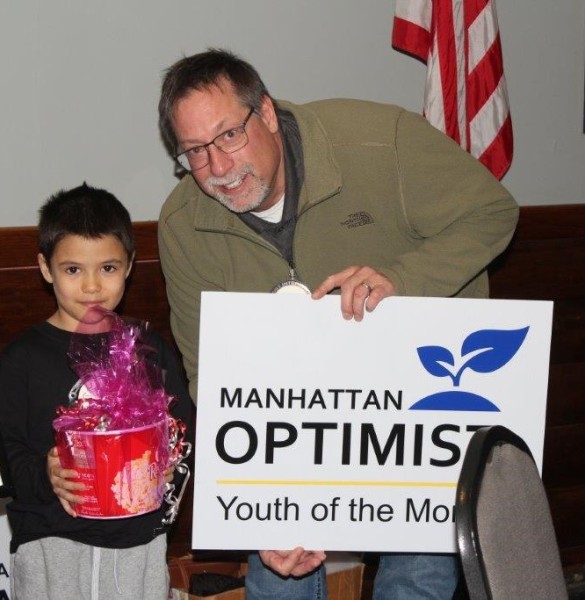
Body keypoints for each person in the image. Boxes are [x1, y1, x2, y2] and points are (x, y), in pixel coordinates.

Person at [157, 48, 519, 600]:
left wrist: (402, 279)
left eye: (229, 135)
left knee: (416, 578)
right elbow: (211, 374)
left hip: (420, 405)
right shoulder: (184, 225)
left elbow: (493, 212)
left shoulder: (382, 144)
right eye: (195, 152)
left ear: (267, 113)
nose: (219, 168)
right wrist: (259, 503)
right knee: (278, 573)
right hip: (293, 421)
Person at [0, 184, 193, 600]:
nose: (91, 287)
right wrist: (47, 475)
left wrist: (167, 466)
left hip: (137, 544)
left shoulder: (148, 348)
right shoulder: (22, 358)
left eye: (107, 268)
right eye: (73, 270)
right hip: (52, 544)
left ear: (129, 266)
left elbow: (183, 430)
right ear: (46, 268)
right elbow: (11, 455)